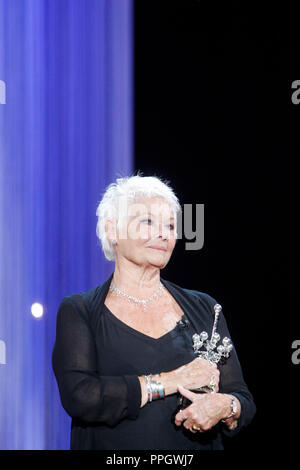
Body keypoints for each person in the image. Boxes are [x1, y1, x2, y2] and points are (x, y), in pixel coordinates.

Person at [52, 174, 256, 450]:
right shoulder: (80, 311)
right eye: (147, 222)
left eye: (171, 225)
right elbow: (82, 397)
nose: (164, 234)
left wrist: (226, 407)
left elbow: (242, 399)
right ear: (113, 231)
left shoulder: (205, 309)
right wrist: (174, 380)